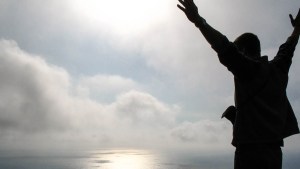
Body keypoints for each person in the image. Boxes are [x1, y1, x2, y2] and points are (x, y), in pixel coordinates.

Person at [177, 0, 300, 169]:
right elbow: (289, 47)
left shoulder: (247, 70)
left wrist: (198, 20)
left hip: (250, 156)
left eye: (238, 50)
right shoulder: (279, 68)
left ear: (242, 51)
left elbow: (223, 46)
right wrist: (297, 28)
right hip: (274, 155)